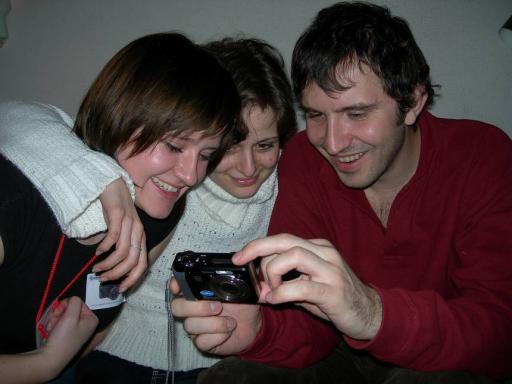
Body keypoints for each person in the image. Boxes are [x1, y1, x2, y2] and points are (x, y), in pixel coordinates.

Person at [171, 2, 512, 383]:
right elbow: (307, 325)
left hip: (450, 352)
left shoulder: (482, 154)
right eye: (316, 115)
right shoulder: (303, 159)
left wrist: (372, 313)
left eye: (357, 114)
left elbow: (498, 327)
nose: (332, 143)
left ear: (413, 102)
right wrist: (258, 331)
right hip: (343, 353)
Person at [0, 37, 297, 383]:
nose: (191, 175)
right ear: (121, 116)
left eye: (205, 155)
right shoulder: (16, 203)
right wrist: (45, 364)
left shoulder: (159, 216)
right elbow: (17, 115)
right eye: (174, 145)